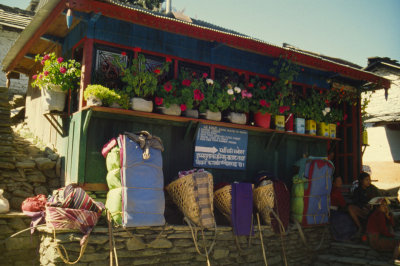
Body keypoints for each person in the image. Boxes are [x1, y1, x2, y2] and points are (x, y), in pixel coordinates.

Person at [366, 198, 400, 264]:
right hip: (376, 241)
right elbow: (383, 230)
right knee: (398, 243)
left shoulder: (381, 214)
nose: (385, 207)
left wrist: (387, 216)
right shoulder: (379, 214)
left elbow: (392, 224)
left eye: (385, 205)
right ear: (377, 206)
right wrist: (392, 236)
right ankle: (394, 260)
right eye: (382, 205)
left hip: (377, 239)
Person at [330, 176, 358, 241]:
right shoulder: (336, 191)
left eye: (341, 181)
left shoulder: (334, 190)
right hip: (333, 212)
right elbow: (343, 204)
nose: (340, 183)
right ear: (333, 183)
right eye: (338, 181)